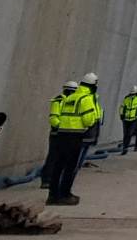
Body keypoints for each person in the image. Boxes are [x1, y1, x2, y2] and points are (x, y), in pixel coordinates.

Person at [43, 78, 97, 206]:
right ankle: (65, 194)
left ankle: (53, 195)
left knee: (58, 165)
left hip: (62, 134)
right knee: (70, 167)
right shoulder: (86, 98)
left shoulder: (69, 98)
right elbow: (88, 120)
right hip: (75, 135)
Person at [43, 81, 77, 189]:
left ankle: (54, 180)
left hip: (65, 134)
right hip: (57, 133)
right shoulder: (59, 101)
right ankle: (46, 180)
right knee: (53, 157)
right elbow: (54, 118)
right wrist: (62, 127)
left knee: (61, 158)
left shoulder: (71, 102)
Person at [119, 88, 137, 154]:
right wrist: (122, 114)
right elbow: (122, 107)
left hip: (134, 119)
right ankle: (125, 147)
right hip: (126, 119)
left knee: (130, 134)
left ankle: (126, 147)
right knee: (125, 134)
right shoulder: (126, 99)